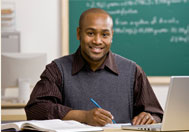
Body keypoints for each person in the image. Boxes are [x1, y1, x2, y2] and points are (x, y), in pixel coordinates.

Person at [25, 8, 163, 126]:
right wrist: (82, 117)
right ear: (79, 33)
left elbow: (157, 114)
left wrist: (150, 118)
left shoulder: (133, 71)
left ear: (111, 36)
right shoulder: (57, 70)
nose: (97, 41)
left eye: (104, 34)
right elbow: (35, 110)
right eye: (90, 33)